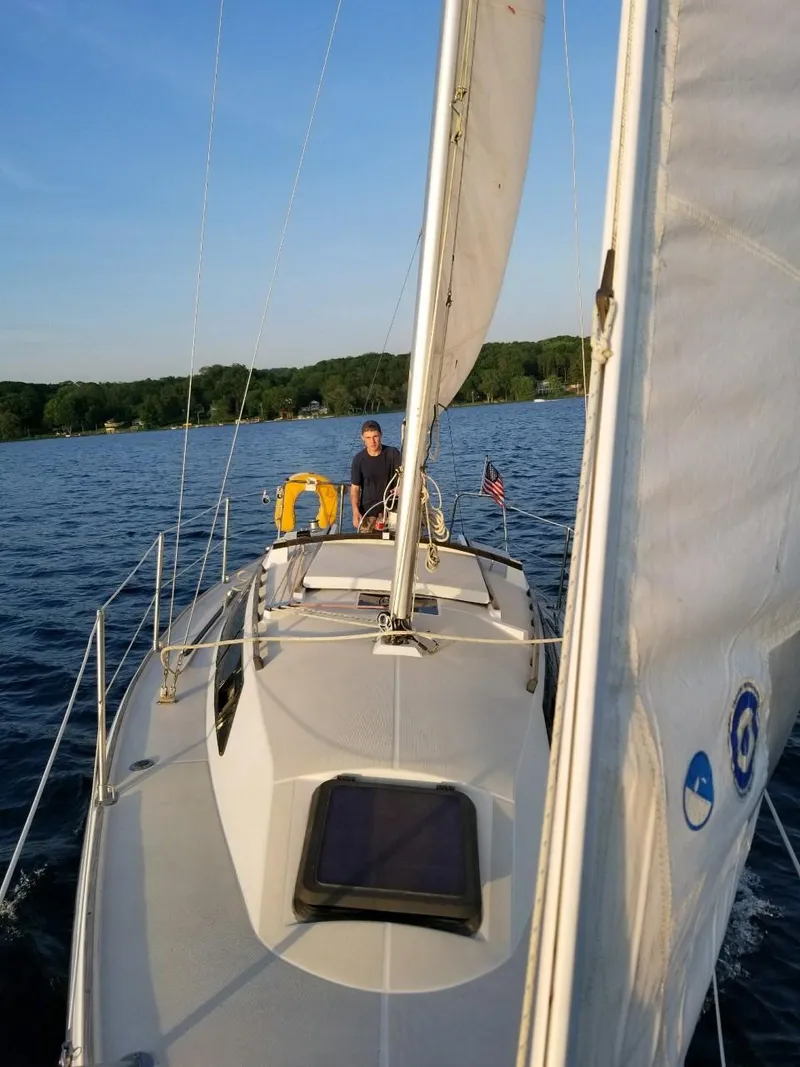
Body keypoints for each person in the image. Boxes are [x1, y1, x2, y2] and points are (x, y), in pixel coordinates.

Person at [350, 420, 402, 532]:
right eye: (368, 438)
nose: (372, 441)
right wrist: (355, 511)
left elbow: (406, 475)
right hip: (368, 513)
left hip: (391, 511)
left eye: (375, 436)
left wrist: (401, 487)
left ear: (381, 435)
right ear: (362, 438)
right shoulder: (359, 459)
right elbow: (355, 489)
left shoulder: (393, 454)